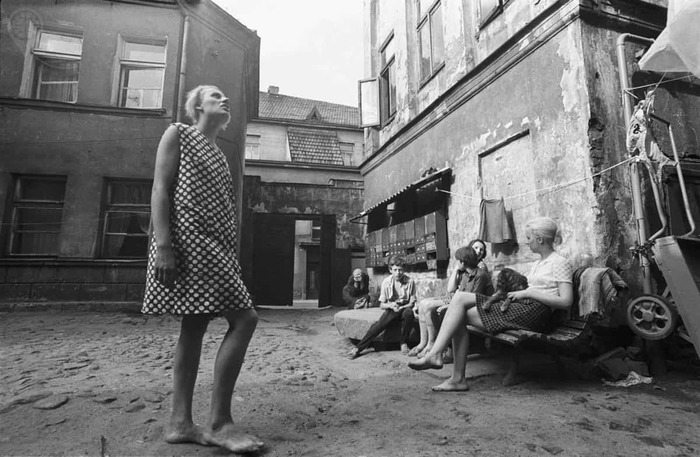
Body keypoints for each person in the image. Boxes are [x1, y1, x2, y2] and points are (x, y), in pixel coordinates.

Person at [141, 85, 264, 454]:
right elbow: (160, 190)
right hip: (188, 241)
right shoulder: (178, 133)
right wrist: (163, 246)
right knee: (245, 318)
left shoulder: (220, 153)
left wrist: (230, 251)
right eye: (214, 96)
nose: (224, 100)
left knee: (194, 324)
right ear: (197, 106)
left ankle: (180, 423)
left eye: (224, 96)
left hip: (215, 246)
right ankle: (219, 423)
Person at [408, 217, 573, 392]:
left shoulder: (559, 262)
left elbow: (566, 301)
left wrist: (528, 293)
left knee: (459, 304)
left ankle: (439, 359)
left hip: (534, 313)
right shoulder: (538, 263)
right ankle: (452, 373)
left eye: (529, 238)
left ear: (540, 239)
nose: (526, 242)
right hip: (522, 306)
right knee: (459, 306)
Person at [409, 245, 494, 358]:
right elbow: (457, 292)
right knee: (432, 310)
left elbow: (473, 299)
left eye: (458, 261)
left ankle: (447, 349)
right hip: (464, 304)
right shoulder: (465, 274)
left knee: (442, 312)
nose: (457, 264)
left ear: (463, 262)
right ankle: (436, 346)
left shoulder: (480, 275)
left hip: (480, 308)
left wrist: (450, 305)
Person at [347, 255, 417, 359]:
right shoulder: (386, 282)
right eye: (395, 270)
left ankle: (404, 343)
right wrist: (391, 305)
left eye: (400, 270)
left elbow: (411, 303)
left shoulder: (410, 282)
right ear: (390, 270)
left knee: (409, 313)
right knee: (380, 324)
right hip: (392, 308)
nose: (398, 273)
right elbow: (382, 304)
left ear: (404, 270)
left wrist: (402, 308)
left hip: (405, 308)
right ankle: (359, 348)